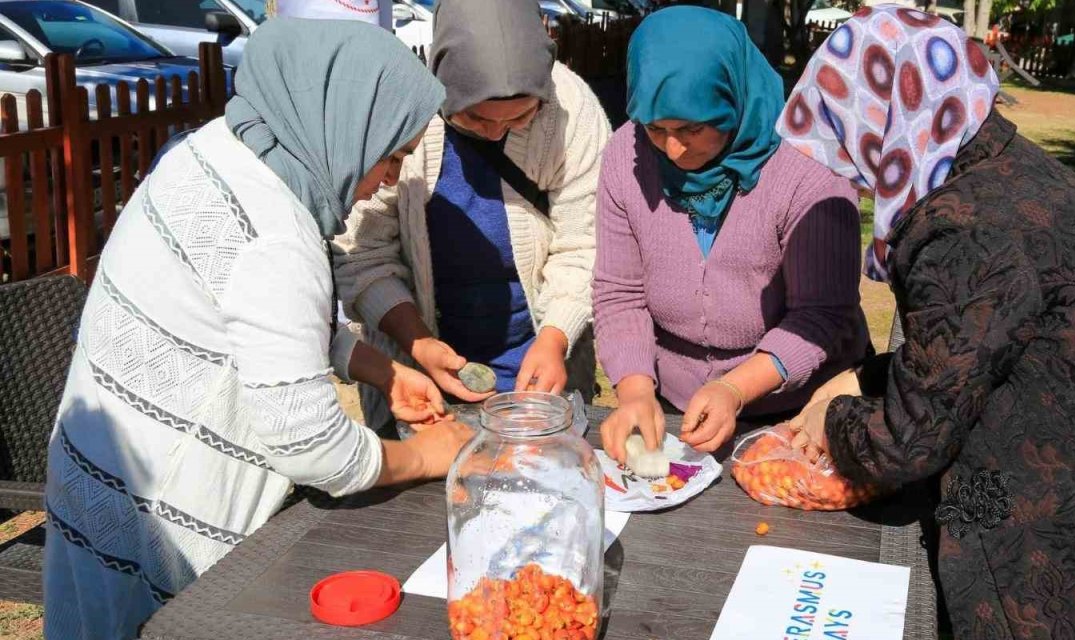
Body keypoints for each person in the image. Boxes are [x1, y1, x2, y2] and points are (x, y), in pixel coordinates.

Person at [783, 7, 1075, 638]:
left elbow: (910, 440)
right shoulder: (1010, 171)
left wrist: (836, 420)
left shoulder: (963, 228)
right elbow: (977, 348)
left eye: (851, 135)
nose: (854, 162)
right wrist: (862, 379)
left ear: (888, 119)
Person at [42, 20, 469, 639]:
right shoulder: (277, 237)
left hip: (103, 474)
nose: (387, 180)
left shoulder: (219, 148)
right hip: (159, 516)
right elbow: (309, 442)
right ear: (342, 124)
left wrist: (383, 369)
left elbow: (250, 318)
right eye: (392, 156)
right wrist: (427, 456)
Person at [593, 6, 869, 466]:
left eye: (692, 128)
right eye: (656, 128)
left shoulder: (807, 167)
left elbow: (821, 314)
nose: (674, 148)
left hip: (802, 413)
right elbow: (620, 294)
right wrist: (636, 390)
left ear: (733, 98)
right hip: (675, 406)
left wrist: (734, 387)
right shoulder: (627, 155)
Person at [334, 0, 610, 435]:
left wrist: (556, 336)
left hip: (541, 365)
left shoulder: (571, 110)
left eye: (520, 117)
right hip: (419, 375)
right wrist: (417, 342)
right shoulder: (396, 112)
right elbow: (361, 252)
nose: (497, 132)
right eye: (476, 118)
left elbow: (586, 243)